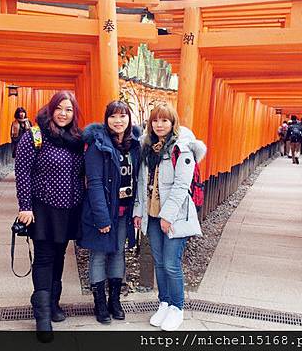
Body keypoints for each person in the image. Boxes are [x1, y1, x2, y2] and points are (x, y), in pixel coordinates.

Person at [14, 91, 85, 336]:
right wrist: (25, 207)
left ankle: (54, 303)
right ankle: (42, 315)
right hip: (43, 206)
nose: (63, 114)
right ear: (51, 109)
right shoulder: (35, 135)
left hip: (69, 207)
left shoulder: (76, 138)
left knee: (60, 255)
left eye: (69, 110)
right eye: (60, 108)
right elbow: (22, 172)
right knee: (45, 256)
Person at [133, 103, 206, 331]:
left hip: (173, 216)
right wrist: (138, 211)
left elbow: (181, 186)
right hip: (152, 215)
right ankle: (164, 303)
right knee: (160, 262)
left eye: (164, 120)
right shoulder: (147, 148)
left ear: (173, 122)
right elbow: (142, 184)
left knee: (172, 263)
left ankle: (177, 307)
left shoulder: (181, 148)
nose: (159, 125)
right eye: (155, 120)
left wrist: (168, 217)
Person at [78, 100, 142, 324]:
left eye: (123, 116)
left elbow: (138, 178)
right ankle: (100, 303)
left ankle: (115, 300)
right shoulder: (98, 145)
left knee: (118, 252)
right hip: (104, 211)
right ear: (106, 120)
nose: (118, 121)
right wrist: (102, 217)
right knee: (99, 254)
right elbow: (94, 183)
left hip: (124, 211)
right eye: (113, 116)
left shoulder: (134, 145)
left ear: (129, 119)